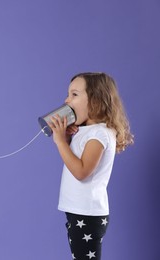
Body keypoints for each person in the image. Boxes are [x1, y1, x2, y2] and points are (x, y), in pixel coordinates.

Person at [48, 72, 133, 260]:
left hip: (86, 214)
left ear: (96, 101)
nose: (66, 99)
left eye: (74, 94)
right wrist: (70, 139)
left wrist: (61, 143)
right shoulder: (88, 132)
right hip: (79, 212)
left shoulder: (99, 135)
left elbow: (81, 171)